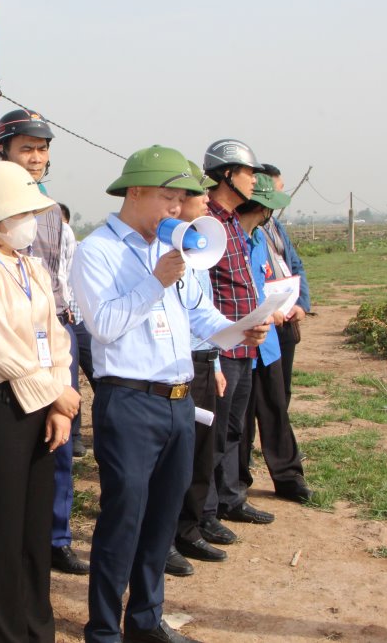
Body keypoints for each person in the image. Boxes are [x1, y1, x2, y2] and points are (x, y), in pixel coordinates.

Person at [70, 145, 270, 643]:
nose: (177, 210)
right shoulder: (97, 251)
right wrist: (155, 283)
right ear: (134, 192)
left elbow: (200, 316)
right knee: (124, 520)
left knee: (162, 519)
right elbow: (107, 326)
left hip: (181, 401)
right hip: (131, 401)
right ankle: (103, 631)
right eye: (168, 198)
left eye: (182, 200)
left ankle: (145, 621)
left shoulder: (177, 250)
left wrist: (239, 330)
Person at [0, 160, 78, 643]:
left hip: (45, 404)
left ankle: (36, 631)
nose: (31, 222)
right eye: (23, 213)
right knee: (2, 531)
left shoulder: (32, 267)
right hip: (0, 407)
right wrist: (57, 395)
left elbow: (56, 335)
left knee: (33, 531)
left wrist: (60, 398)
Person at [0, 107, 87, 575]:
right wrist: (53, 388)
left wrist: (57, 383)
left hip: (48, 348)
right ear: (3, 152)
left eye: (42, 149)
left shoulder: (49, 211)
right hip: (7, 366)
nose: (36, 158)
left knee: (56, 451)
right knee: (8, 494)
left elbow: (54, 289)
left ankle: (55, 536)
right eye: (26, 148)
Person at [202, 139, 276, 536]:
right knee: (214, 430)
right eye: (249, 173)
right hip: (221, 345)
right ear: (227, 174)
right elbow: (205, 290)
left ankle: (231, 497)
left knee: (234, 427)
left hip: (244, 344)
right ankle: (206, 509)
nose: (254, 181)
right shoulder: (208, 223)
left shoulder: (233, 222)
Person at [236, 174, 313, 503]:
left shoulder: (263, 235)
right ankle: (236, 482)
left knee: (275, 406)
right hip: (244, 337)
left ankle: (287, 475)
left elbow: (292, 266)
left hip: (269, 338)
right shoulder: (233, 237)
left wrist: (297, 305)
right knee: (240, 417)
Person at [168, 163, 229, 577]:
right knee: (176, 460)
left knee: (202, 453)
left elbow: (203, 310)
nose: (208, 200)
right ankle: (167, 536)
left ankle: (190, 528)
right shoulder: (168, 252)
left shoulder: (201, 246)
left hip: (206, 360)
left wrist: (219, 360)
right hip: (180, 365)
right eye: (199, 195)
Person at [258, 163, 312, 408]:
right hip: (265, 318)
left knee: (282, 387)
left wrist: (302, 304)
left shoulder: (275, 225)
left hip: (288, 316)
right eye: (277, 190)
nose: (282, 196)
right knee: (260, 389)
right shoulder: (244, 228)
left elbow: (296, 265)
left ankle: (280, 441)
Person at [57, 201, 94, 458]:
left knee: (100, 377)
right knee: (68, 382)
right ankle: (76, 437)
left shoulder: (81, 251)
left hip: (83, 323)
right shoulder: (47, 254)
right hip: (62, 323)